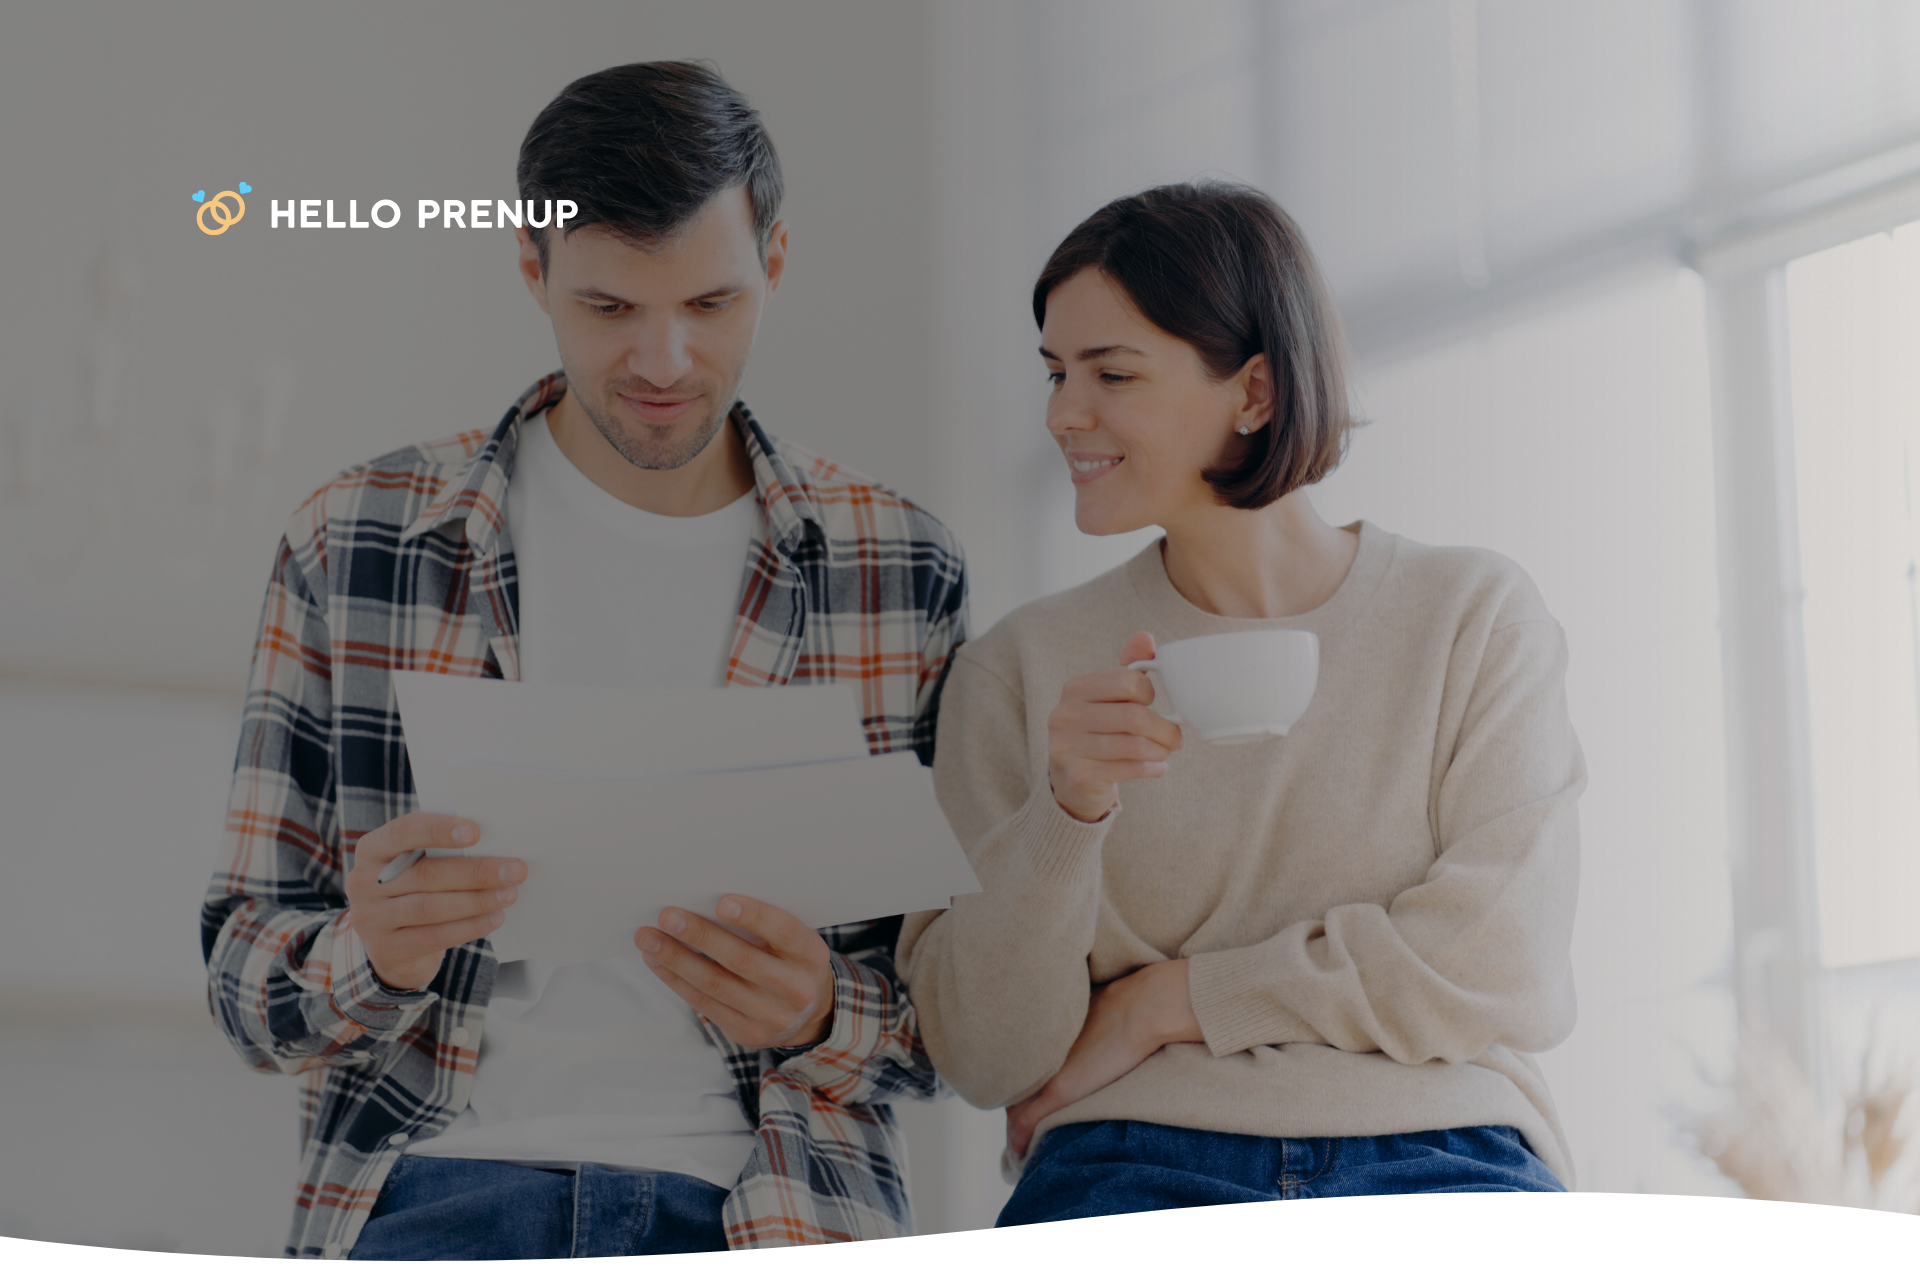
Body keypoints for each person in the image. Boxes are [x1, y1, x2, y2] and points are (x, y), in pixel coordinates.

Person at [200, 61, 967, 1259]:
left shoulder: (899, 566)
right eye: (610, 309)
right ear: (532, 270)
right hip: (431, 1191)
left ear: (775, 261)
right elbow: (245, 989)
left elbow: (966, 1019)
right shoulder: (355, 541)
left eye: (710, 305)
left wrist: (827, 1007)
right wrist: (374, 952)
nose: (662, 361)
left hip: (773, 1211)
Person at [896, 182, 1583, 1222]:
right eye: (1054, 373)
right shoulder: (1021, 668)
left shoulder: (1471, 619)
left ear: (1254, 391)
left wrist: (1164, 1004)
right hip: (1132, 1160)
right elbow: (985, 1052)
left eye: (1111, 373)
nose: (1061, 414)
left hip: (1444, 1141)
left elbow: (1502, 961)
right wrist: (1067, 810)